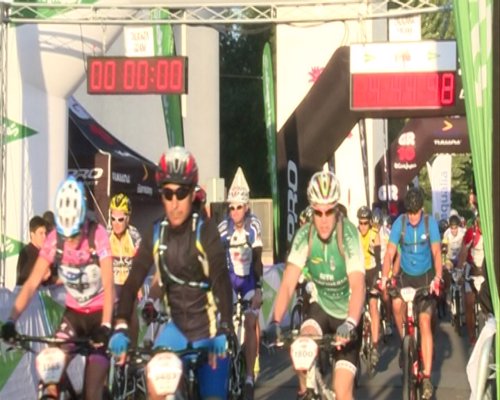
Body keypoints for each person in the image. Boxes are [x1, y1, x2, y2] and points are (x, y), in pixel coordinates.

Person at [108, 146, 234, 400]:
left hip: (209, 333)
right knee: (155, 386)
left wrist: (226, 326)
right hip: (175, 331)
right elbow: (132, 282)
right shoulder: (156, 232)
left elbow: (221, 277)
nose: (175, 203)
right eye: (168, 194)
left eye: (182, 193)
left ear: (192, 193)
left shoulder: (205, 231)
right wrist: (121, 324)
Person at [2, 175, 114, 400]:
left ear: (83, 221)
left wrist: (106, 325)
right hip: (74, 315)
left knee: (92, 390)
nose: (70, 240)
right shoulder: (54, 239)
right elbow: (31, 283)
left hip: (100, 314)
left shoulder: (98, 235)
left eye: (74, 234)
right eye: (65, 234)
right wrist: (11, 320)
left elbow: (109, 285)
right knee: (49, 376)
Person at [268, 170, 365, 400]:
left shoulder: (348, 235)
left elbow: (358, 286)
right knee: (301, 349)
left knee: (342, 391)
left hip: (347, 314)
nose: (323, 219)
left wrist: (351, 323)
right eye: (317, 212)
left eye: (329, 211)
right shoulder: (305, 235)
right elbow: (288, 283)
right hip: (320, 307)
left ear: (337, 209)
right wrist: (275, 321)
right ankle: (305, 391)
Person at [380, 187, 443, 400]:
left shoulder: (429, 223)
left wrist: (438, 277)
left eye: (416, 212)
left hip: (425, 277)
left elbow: (436, 252)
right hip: (406, 276)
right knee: (396, 304)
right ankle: (405, 342)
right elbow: (390, 252)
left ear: (422, 209)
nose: (414, 217)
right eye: (410, 213)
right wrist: (385, 276)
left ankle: (426, 377)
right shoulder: (400, 223)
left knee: (424, 321)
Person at [218, 167, 263, 400]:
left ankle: (249, 377)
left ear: (246, 207)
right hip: (229, 278)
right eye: (231, 208)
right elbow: (215, 261)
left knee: (250, 320)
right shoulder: (223, 228)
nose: (235, 212)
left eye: (239, 207)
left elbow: (257, 259)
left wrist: (258, 289)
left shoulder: (253, 225)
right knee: (221, 323)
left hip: (248, 280)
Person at [108, 193, 142, 346]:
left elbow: (140, 264)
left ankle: (133, 350)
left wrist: (139, 286)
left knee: (132, 318)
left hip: (129, 284)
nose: (116, 223)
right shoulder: (106, 235)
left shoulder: (134, 236)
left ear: (128, 218)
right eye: (113, 218)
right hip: (112, 284)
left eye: (120, 219)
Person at [357, 206, 382, 368]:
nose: (363, 226)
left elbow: (378, 259)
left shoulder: (374, 234)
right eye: (361, 223)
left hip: (372, 271)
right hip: (359, 271)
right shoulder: (355, 234)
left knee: (373, 305)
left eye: (366, 223)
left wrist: (378, 276)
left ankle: (375, 345)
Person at [457, 210, 484, 345]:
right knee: (469, 303)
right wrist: (459, 271)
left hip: (484, 272)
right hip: (471, 271)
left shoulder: (492, 232)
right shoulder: (470, 233)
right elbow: (463, 252)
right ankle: (472, 335)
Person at [16, 215, 49, 286]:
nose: (44, 237)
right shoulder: (27, 253)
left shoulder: (42, 253)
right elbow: (24, 279)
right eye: (41, 233)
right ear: (32, 234)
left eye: (45, 233)